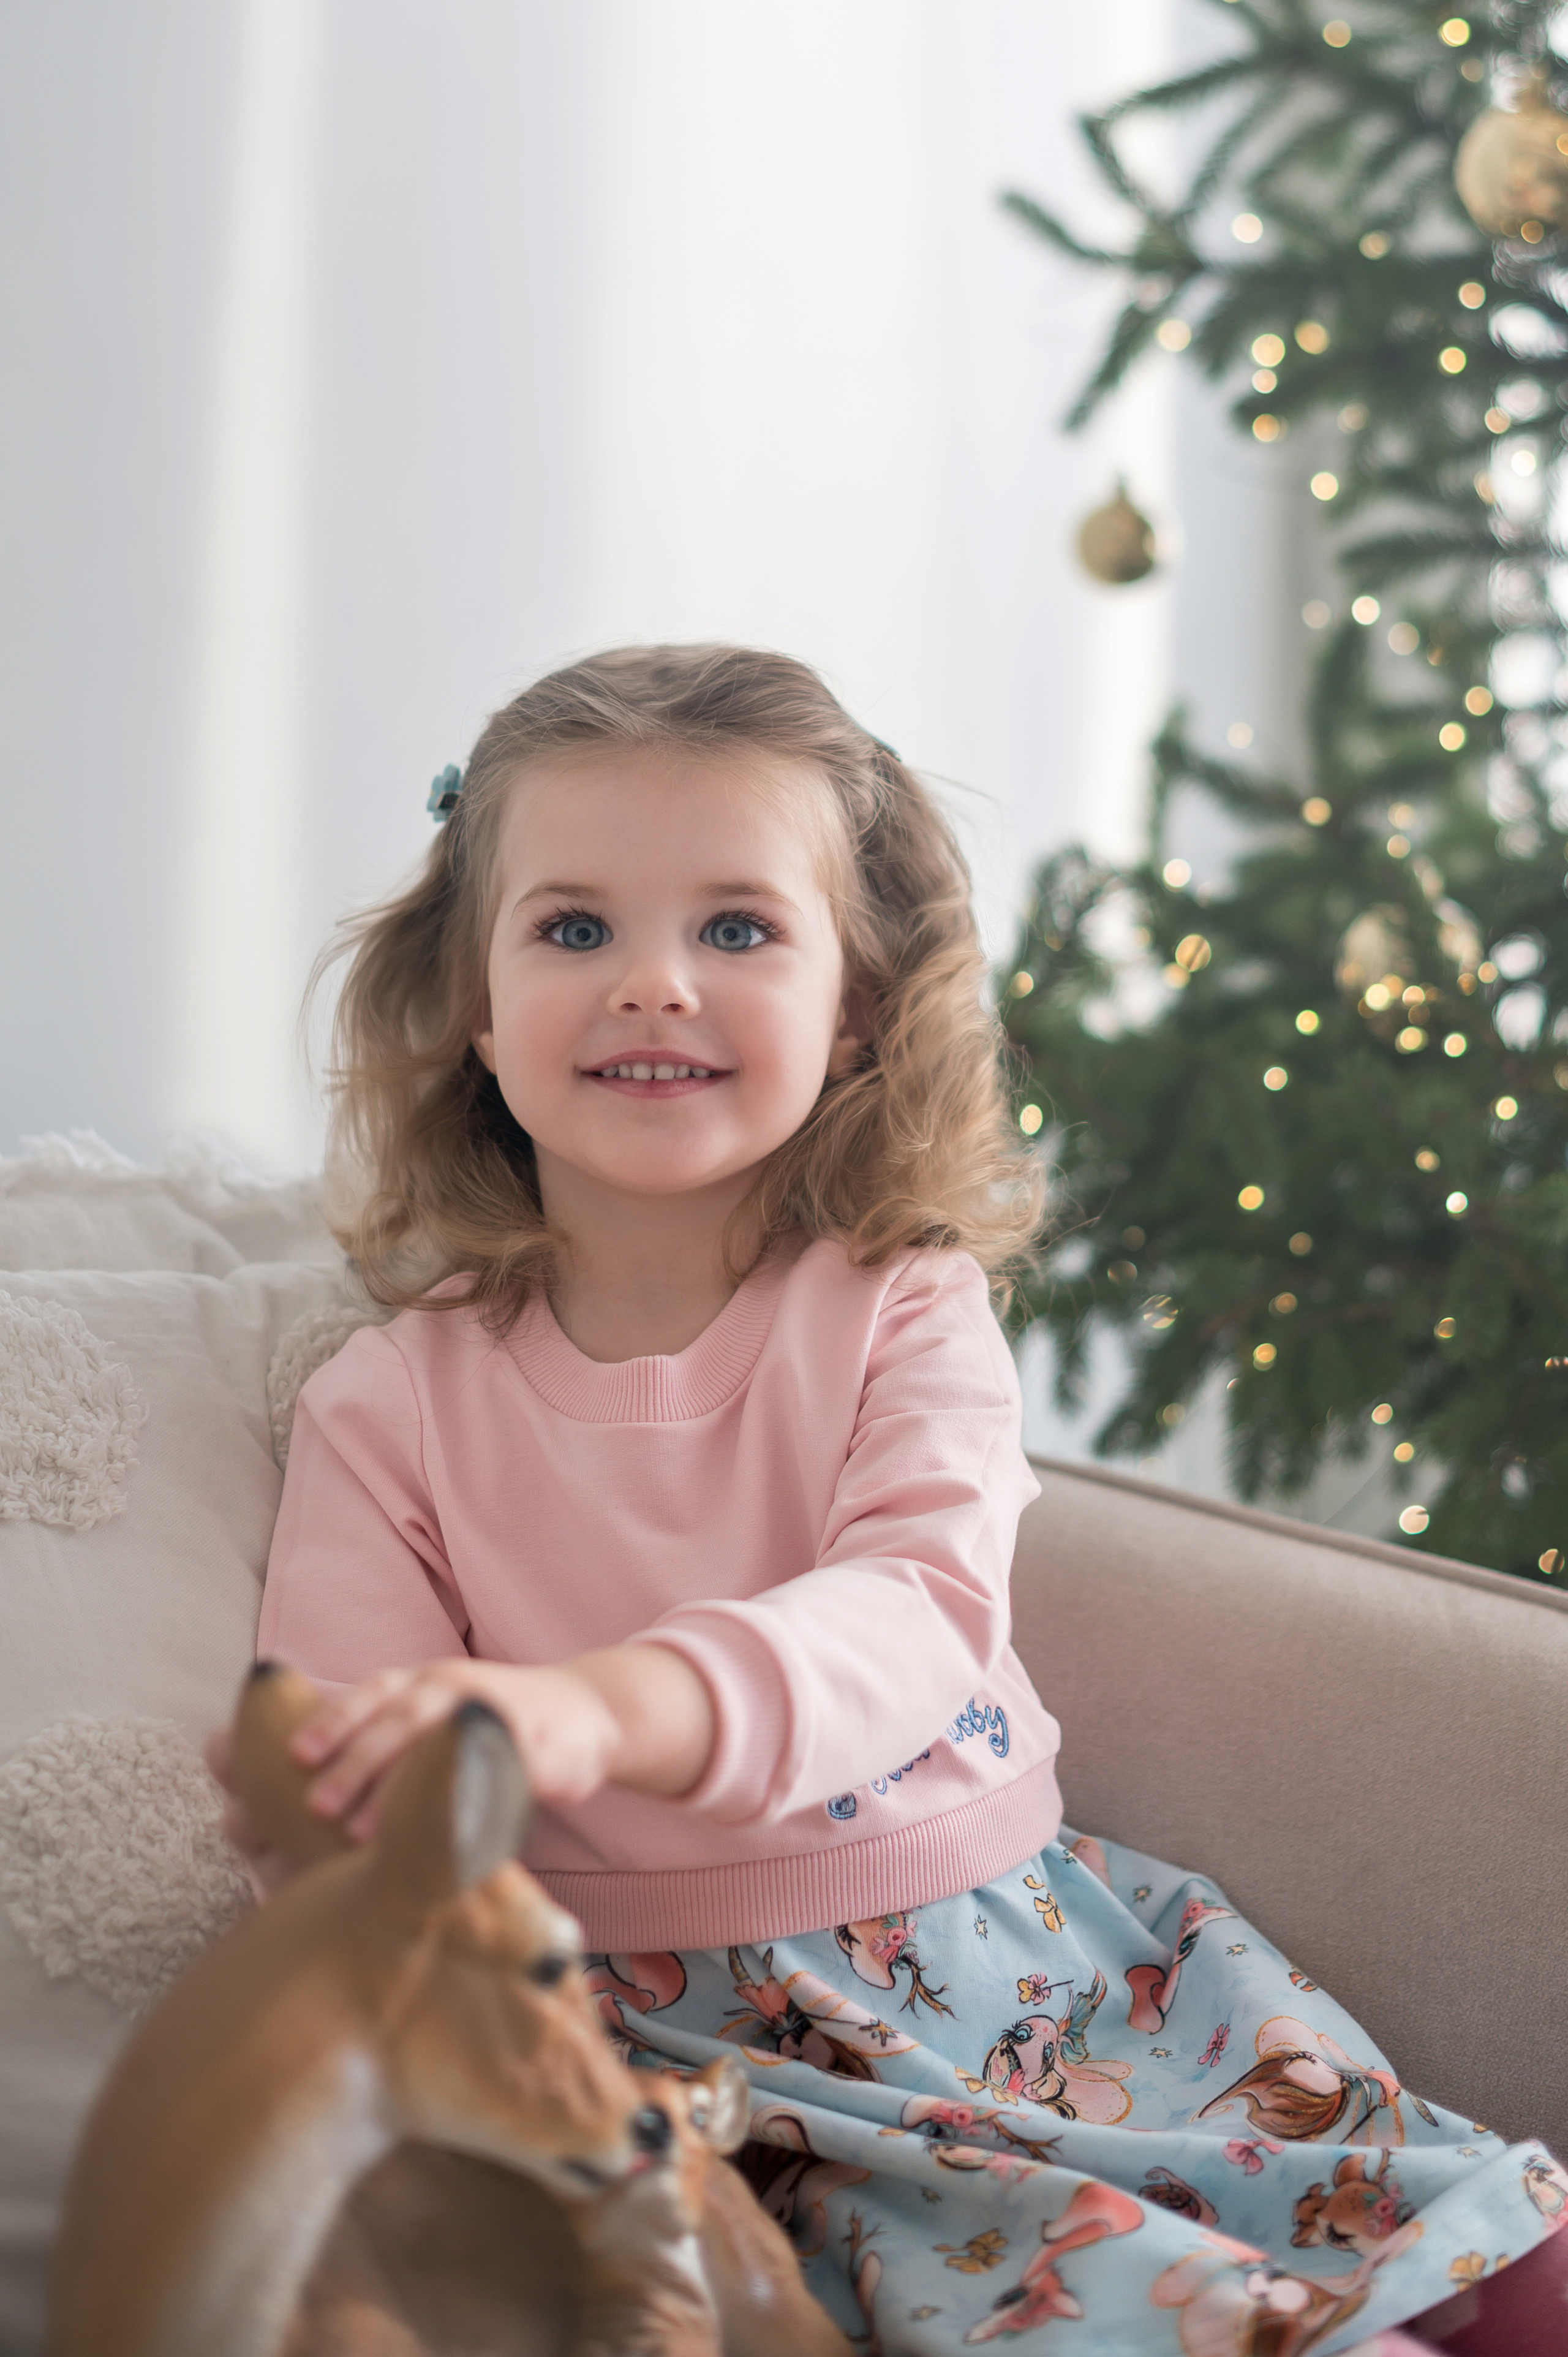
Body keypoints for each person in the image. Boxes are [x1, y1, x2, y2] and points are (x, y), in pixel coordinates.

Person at [219, 645, 1566, 2355]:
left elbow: (918, 1612)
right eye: (573, 929)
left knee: (1497, 2257)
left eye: (736, 929)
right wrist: (320, 1805)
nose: (651, 983)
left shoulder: (902, 1306)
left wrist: (599, 1711)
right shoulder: (388, 1404)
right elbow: (361, 1778)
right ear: (475, 1007)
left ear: (855, 1000)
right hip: (711, 2083)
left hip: (1034, 1973)